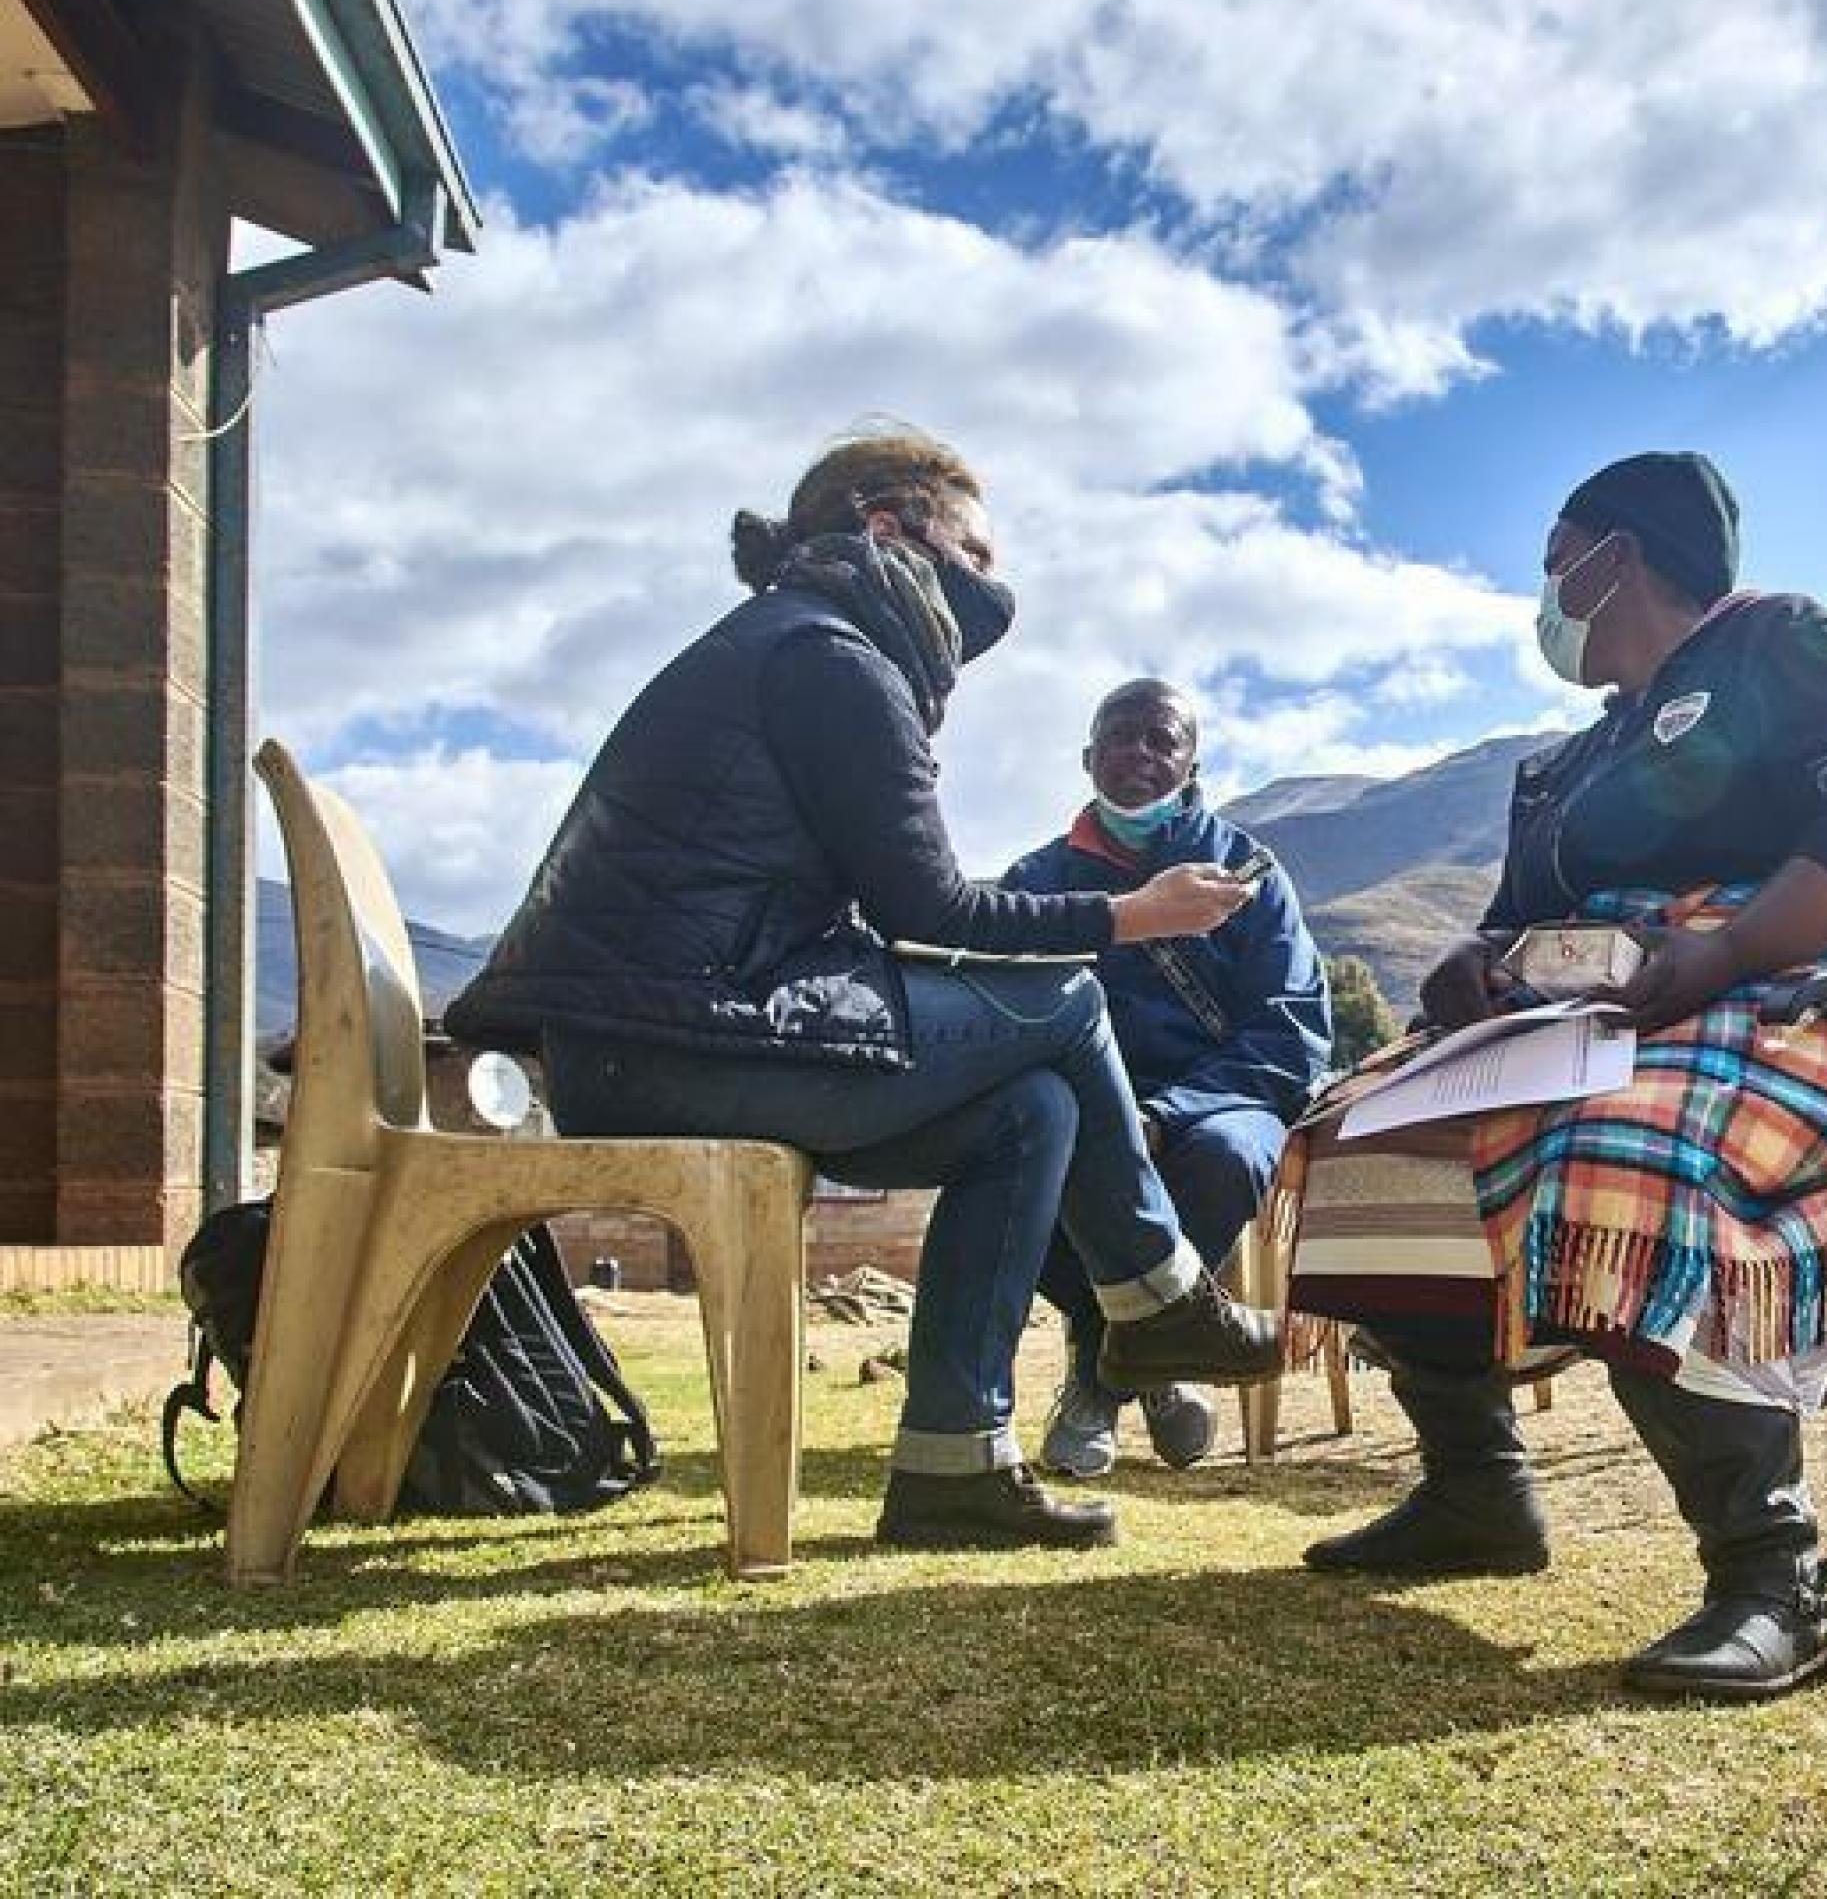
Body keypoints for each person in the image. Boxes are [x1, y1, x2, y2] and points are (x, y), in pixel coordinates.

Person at [445, 427, 1287, 1554]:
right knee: (1068, 1003)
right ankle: (1156, 1302)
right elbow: (928, 908)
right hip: (682, 1040)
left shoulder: (798, 645)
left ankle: (953, 1467)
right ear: (886, 529)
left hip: (672, 1033)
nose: (994, 589)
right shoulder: (824, 654)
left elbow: (882, 914)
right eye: (975, 557)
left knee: (1025, 1113)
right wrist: (1133, 917)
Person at [1300, 451, 1827, 1703]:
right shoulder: (1582, 754)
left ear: (1620, 553)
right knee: (1359, 1143)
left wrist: (1717, 949)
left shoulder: (1786, 643)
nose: (1545, 590)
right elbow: (1506, 919)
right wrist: (1467, 964)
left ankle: (1777, 1582)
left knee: (1619, 1151)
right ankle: (1477, 1492)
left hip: (1797, 975)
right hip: (1594, 1007)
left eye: (1557, 559)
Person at [1004, 680, 1332, 1476]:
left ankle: (1100, 1373)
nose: (1139, 755)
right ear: (1088, 757)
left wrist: (1165, 1111)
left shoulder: (1248, 872)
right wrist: (1111, 1115)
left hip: (1220, 1102)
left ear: (1192, 763)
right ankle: (1152, 1351)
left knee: (1223, 1156)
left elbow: (1290, 1030)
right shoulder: (1038, 878)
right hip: (1080, 1105)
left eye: (1162, 740)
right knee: (1019, 1157)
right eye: (1120, 736)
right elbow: (1002, 1016)